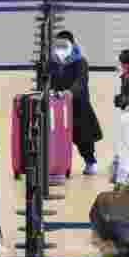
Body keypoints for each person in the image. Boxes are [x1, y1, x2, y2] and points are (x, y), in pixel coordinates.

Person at [48, 31, 103, 176]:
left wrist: (69, 92)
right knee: (56, 137)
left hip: (79, 105)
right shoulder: (52, 62)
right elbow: (47, 80)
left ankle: (90, 162)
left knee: (83, 137)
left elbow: (81, 82)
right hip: (58, 106)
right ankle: (58, 165)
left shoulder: (80, 61)